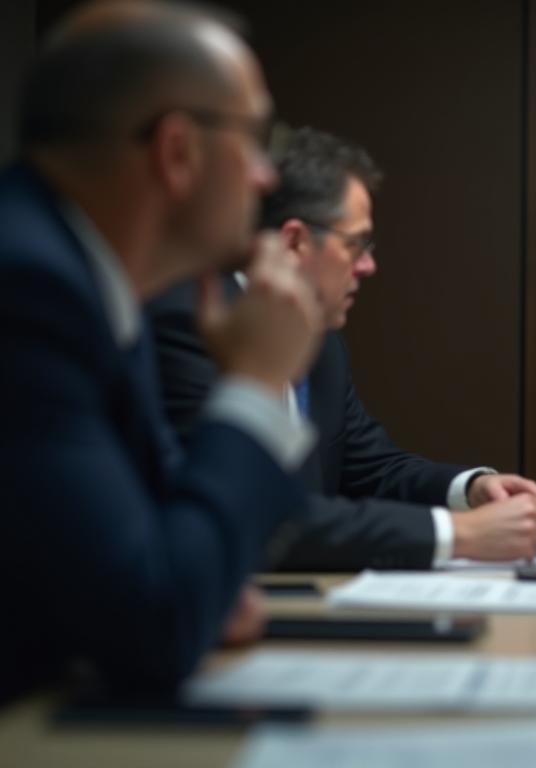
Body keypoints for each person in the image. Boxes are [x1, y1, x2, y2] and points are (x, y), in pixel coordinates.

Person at [0, 1, 323, 701]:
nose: (266, 177)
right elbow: (154, 623)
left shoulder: (95, 285)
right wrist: (256, 382)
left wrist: (197, 583)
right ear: (177, 151)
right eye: (254, 138)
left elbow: (161, 558)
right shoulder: (29, 293)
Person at [149, 128, 536, 570]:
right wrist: (459, 534)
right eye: (356, 245)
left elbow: (370, 467)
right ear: (294, 242)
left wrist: (471, 489)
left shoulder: (321, 343)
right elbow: (254, 513)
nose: (369, 266)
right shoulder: (195, 323)